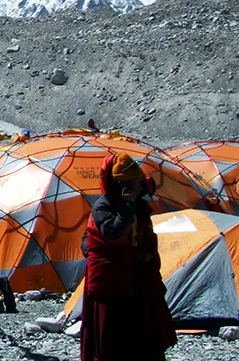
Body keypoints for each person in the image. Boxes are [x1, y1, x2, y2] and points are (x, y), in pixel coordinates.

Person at [79, 153, 176, 361]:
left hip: (135, 278)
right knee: (112, 336)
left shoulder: (139, 204)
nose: (135, 188)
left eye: (136, 183)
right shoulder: (103, 207)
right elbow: (109, 233)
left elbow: (147, 234)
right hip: (110, 281)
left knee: (140, 331)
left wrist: (148, 253)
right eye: (128, 183)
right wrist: (128, 206)